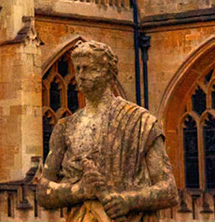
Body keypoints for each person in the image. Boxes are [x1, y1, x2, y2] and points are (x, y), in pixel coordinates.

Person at [35, 39, 178, 220]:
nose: (80, 75)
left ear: (108, 73)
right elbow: (42, 191)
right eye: (77, 69)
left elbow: (169, 190)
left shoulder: (140, 121)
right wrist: (79, 190)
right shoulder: (65, 127)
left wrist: (127, 201)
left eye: (88, 68)